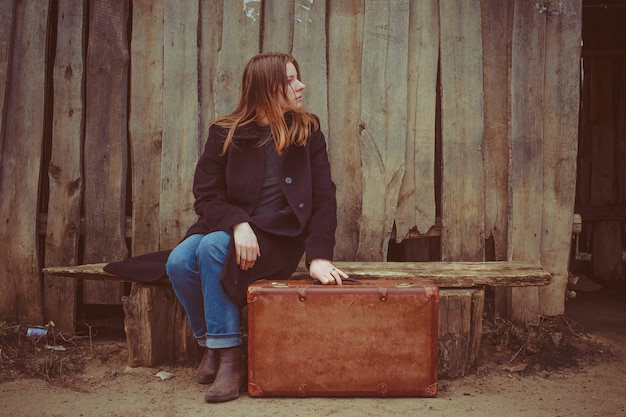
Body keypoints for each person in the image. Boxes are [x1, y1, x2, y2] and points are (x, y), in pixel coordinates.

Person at [165, 52, 348, 403]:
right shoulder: (225, 133)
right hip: (229, 227)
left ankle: (230, 360)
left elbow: (324, 197)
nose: (301, 85)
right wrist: (238, 222)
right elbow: (206, 195)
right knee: (177, 261)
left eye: (298, 77)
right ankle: (211, 346)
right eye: (291, 80)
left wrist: (319, 256)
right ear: (267, 88)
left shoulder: (306, 131)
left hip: (278, 237)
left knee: (211, 249)